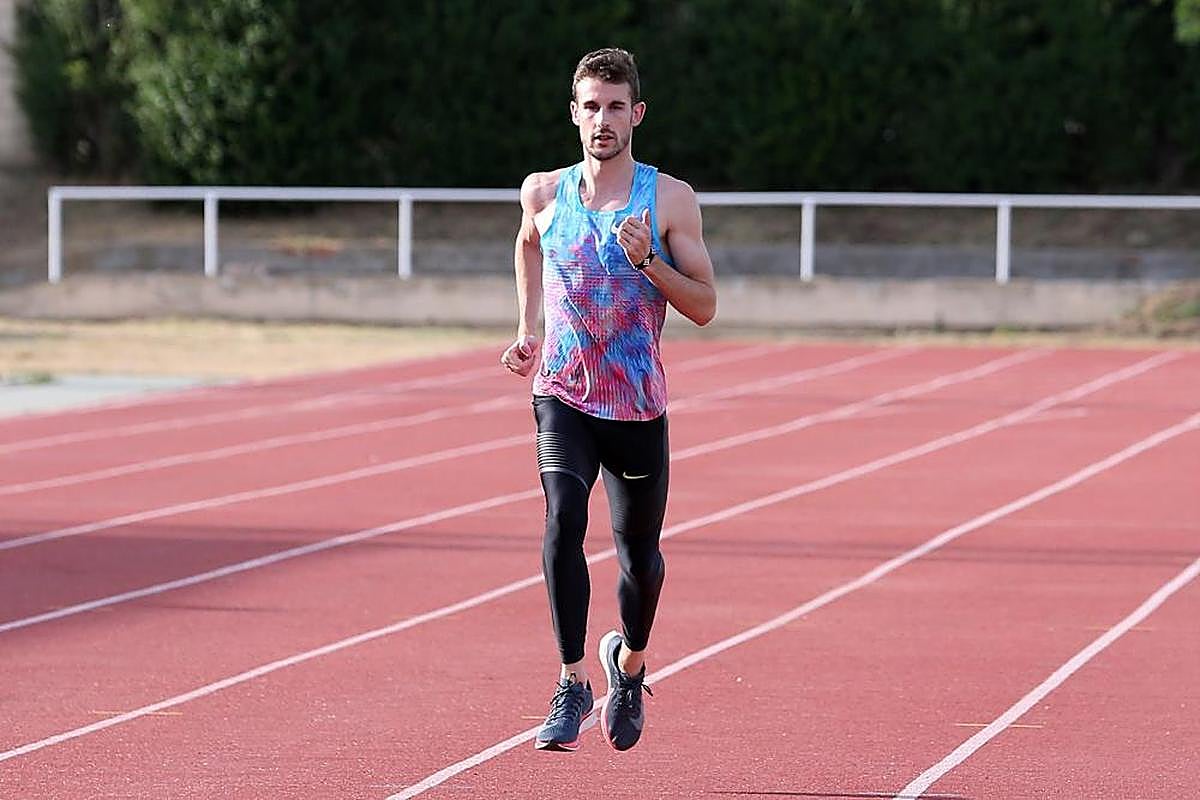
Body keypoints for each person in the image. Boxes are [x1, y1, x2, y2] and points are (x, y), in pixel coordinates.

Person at [500, 47, 717, 753]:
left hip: (636, 404)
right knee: (563, 518)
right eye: (591, 106)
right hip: (562, 392)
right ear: (574, 113)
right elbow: (528, 244)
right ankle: (571, 682)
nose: (603, 119)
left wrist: (647, 261)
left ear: (637, 114)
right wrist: (528, 328)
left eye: (616, 107)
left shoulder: (669, 200)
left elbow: (705, 305)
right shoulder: (543, 192)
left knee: (640, 561)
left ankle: (629, 665)